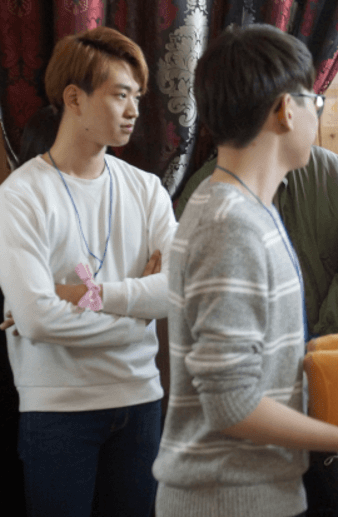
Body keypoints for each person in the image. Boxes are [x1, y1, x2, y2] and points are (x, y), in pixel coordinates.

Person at [152, 24, 338, 517]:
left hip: (256, 494)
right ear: (285, 111)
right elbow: (231, 405)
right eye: (316, 100)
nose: (318, 113)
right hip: (225, 501)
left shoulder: (248, 209)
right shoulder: (229, 225)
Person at [0, 27, 177, 517]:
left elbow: (179, 289)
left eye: (137, 96)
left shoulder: (147, 189)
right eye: (120, 95)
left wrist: (84, 295)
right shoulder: (20, 196)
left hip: (140, 399)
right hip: (57, 408)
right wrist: (139, 317)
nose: (134, 110)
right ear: (74, 98)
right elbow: (37, 319)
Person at [174, 148, 338, 517]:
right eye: (310, 112)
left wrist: (316, 351)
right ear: (280, 117)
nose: (314, 119)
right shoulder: (205, 192)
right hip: (255, 404)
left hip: (333, 381)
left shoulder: (331, 172)